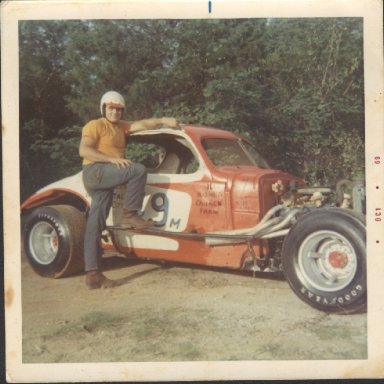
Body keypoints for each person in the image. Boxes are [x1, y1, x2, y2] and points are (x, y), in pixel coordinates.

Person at [79, 90, 179, 289]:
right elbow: (84, 150)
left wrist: (164, 120)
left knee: (96, 221)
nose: (115, 112)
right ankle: (130, 213)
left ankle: (93, 274)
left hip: (104, 177)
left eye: (119, 109)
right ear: (103, 108)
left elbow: (143, 124)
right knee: (137, 170)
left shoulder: (122, 127)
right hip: (95, 170)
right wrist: (111, 159)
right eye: (111, 108)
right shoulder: (95, 125)